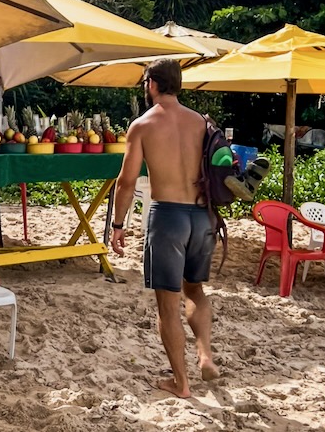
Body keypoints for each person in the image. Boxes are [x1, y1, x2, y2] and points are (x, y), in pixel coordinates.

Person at [110, 58, 220, 398]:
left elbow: (127, 182)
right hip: (203, 217)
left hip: (168, 217)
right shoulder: (202, 123)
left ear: (153, 84)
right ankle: (205, 354)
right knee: (195, 291)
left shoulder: (142, 125)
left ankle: (181, 383)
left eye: (146, 83)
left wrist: (117, 224)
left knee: (167, 304)